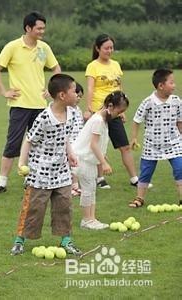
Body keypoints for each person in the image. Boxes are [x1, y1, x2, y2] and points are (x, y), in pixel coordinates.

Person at [0, 11, 61, 195]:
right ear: (28, 28)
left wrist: (51, 89)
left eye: (44, 28)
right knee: (13, 144)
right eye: (39, 28)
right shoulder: (13, 47)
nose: (42, 31)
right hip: (19, 105)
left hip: (40, 105)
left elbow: (56, 68)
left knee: (39, 144)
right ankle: (2, 183)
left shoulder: (44, 48)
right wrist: (4, 91)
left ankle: (33, 180)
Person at [10, 74, 81, 256]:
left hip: (62, 171)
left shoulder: (72, 113)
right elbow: (29, 139)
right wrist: (21, 163)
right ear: (62, 95)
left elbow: (64, 137)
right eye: (74, 91)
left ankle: (66, 240)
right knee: (34, 208)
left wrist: (70, 152)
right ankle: (19, 240)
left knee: (64, 206)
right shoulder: (44, 118)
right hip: (40, 172)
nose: (77, 94)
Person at [84, 34, 139, 189]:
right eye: (106, 48)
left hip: (115, 111)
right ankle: (100, 178)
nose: (109, 51)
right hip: (99, 111)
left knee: (124, 146)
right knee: (99, 145)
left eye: (111, 48)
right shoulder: (93, 66)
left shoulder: (115, 65)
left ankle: (134, 178)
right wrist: (90, 109)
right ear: (97, 48)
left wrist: (122, 110)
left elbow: (119, 88)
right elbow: (90, 88)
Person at [73, 91, 130, 229]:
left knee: (91, 188)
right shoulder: (98, 120)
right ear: (110, 106)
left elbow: (96, 142)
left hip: (89, 160)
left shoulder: (103, 119)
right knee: (88, 189)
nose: (120, 114)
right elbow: (93, 144)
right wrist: (103, 163)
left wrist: (102, 154)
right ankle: (86, 220)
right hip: (83, 160)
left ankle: (91, 219)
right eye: (120, 111)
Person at [129, 69, 181, 208]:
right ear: (161, 85)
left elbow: (179, 121)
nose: (174, 85)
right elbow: (136, 120)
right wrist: (134, 138)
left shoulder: (176, 101)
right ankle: (139, 198)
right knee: (146, 171)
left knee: (180, 168)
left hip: (174, 142)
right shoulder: (148, 102)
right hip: (152, 144)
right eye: (171, 82)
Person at [70, 82, 85, 196]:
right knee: (69, 165)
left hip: (77, 142)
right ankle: (70, 187)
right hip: (68, 143)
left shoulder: (78, 110)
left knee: (76, 165)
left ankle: (75, 186)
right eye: (77, 95)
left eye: (80, 96)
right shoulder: (66, 109)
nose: (79, 98)